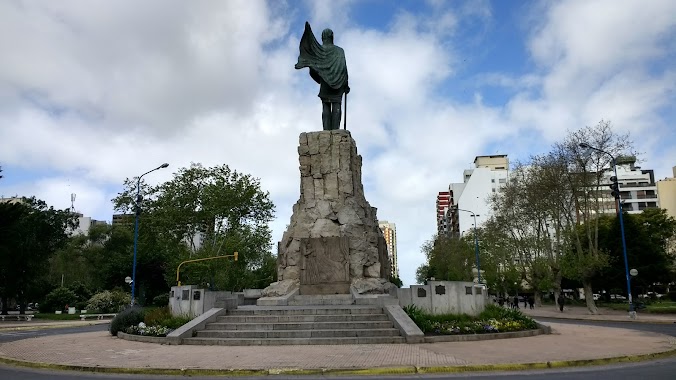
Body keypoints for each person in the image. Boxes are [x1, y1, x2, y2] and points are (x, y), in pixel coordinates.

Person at [295, 22, 350, 131]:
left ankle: (326, 130)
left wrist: (313, 69)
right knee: (336, 105)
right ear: (332, 37)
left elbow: (315, 69)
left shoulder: (319, 51)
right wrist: (345, 84)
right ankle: (335, 130)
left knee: (325, 105)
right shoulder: (339, 51)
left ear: (323, 38)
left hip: (325, 82)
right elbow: (343, 68)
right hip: (338, 82)